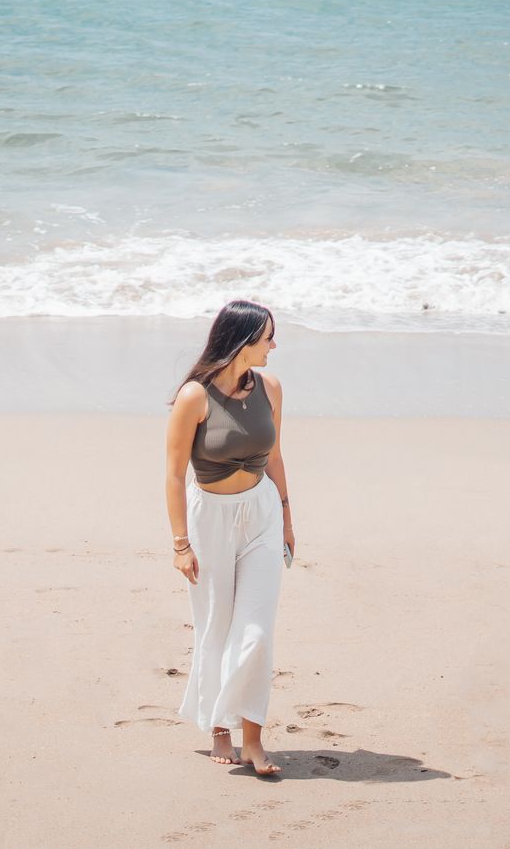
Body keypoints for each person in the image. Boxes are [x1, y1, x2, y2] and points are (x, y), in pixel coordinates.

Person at [163, 299, 293, 778]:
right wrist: (180, 544)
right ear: (242, 342)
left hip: (260, 514)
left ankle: (253, 738)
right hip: (209, 520)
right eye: (267, 338)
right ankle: (219, 726)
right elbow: (174, 475)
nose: (274, 347)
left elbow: (275, 457)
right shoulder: (194, 398)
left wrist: (287, 516)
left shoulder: (272, 388)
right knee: (216, 625)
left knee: (256, 632)